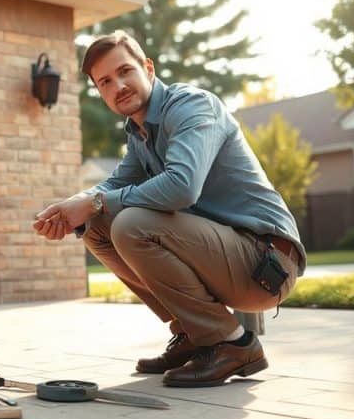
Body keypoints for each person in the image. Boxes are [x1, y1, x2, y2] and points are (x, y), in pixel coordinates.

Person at [33, 30, 305, 387]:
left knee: (131, 224)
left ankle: (232, 344)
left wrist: (95, 201)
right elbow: (110, 187)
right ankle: (194, 334)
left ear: (148, 68)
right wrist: (72, 209)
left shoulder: (192, 106)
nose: (119, 86)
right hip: (226, 256)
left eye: (125, 71)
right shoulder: (140, 133)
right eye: (106, 82)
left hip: (265, 262)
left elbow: (182, 187)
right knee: (98, 226)